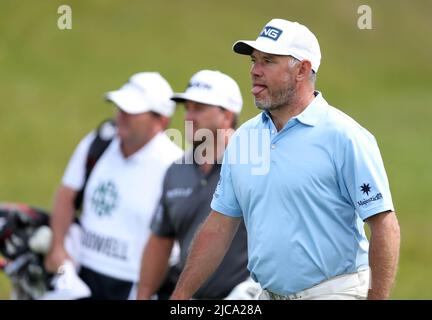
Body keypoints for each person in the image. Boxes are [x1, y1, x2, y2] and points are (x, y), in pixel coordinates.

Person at [171, 19, 400, 300]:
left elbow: (384, 225)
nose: (255, 71)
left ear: (302, 70)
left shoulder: (345, 136)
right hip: (267, 294)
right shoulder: (244, 138)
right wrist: (180, 296)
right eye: (254, 61)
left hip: (333, 292)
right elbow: (220, 224)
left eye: (268, 61)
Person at [45, 72, 183, 299]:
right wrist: (58, 248)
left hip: (134, 284)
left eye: (132, 112)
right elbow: (66, 194)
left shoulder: (175, 166)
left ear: (161, 121)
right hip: (80, 274)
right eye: (120, 108)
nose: (121, 116)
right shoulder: (98, 142)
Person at [136, 70, 250, 300]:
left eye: (199, 108)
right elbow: (161, 239)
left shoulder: (254, 168)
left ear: (227, 116)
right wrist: (143, 295)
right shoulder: (176, 171)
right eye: (187, 108)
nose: (189, 116)